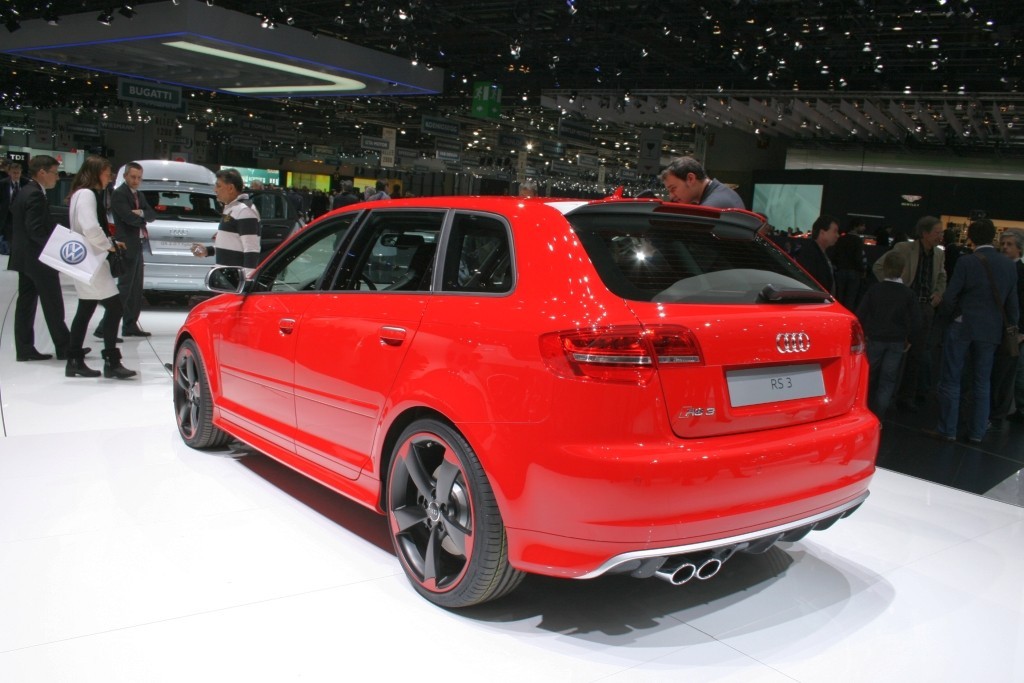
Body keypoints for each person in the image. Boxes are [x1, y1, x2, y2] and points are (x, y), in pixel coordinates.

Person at [931, 219, 1018, 443]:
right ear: (993, 237)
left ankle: (948, 429)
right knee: (982, 381)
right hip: (991, 330)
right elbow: (1012, 305)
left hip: (963, 325)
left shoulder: (966, 262)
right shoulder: (1009, 265)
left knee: (952, 378)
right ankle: (977, 432)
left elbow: (951, 296)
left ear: (971, 237)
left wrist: (946, 318)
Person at [65, 155, 136, 379]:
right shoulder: (87, 194)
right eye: (106, 173)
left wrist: (109, 242)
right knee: (115, 308)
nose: (109, 178)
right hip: (92, 262)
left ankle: (74, 360)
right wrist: (109, 246)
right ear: (96, 173)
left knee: (85, 309)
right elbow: (90, 227)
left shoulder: (78, 194)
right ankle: (111, 362)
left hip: (83, 260)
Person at [871, 216, 947, 412]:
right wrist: (894, 291)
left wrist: (938, 293)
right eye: (937, 232)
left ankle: (906, 398)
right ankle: (881, 397)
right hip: (903, 308)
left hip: (925, 308)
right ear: (925, 233)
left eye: (941, 232)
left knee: (917, 355)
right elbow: (878, 266)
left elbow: (941, 276)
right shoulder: (904, 248)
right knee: (893, 353)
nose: (940, 236)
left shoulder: (939, 254)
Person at [7, 155, 74, 362]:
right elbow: (35, 229)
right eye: (55, 173)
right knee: (52, 303)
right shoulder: (35, 194)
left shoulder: (26, 191)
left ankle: (24, 349)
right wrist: (54, 248)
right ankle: (65, 348)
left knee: (26, 305)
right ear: (42, 172)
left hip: (25, 258)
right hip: (38, 259)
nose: (57, 177)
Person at [856, 251, 922, 418]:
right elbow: (916, 321)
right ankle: (879, 417)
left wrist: (864, 334)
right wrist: (910, 339)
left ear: (884, 268)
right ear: (903, 270)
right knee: (888, 380)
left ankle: (863, 411)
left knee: (868, 376)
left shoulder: (875, 290)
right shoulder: (908, 294)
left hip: (875, 338)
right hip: (897, 341)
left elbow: (861, 314)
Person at [108, 162, 156, 337]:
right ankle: (105, 327)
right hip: (126, 245)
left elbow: (152, 215)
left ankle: (129, 325)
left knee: (135, 288)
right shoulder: (119, 194)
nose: (136, 180)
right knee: (125, 287)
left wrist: (141, 213)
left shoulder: (139, 195)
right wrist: (141, 217)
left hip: (138, 244)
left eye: (139, 178)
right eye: (133, 177)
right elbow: (128, 217)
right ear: (125, 176)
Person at [190, 168, 261, 275]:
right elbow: (233, 244)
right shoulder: (232, 208)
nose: (215, 190)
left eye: (218, 186)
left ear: (231, 188)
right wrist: (208, 251)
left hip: (235, 277)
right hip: (226, 274)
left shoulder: (244, 210)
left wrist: (247, 280)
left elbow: (251, 250)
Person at [992, 228, 1024, 423]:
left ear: (1019, 248)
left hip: (1013, 330)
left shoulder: (1020, 272)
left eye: (1009, 244)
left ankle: (999, 413)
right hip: (998, 326)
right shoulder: (1000, 268)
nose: (1004, 247)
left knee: (1008, 373)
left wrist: (1022, 331)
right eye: (1003, 244)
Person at [659, 156, 744, 209]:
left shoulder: (710, 208)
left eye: (673, 188)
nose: (671, 196)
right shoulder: (722, 192)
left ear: (690, 179)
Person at [795, 214, 839, 293]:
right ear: (822, 233)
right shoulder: (809, 254)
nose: (837, 235)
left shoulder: (821, 253)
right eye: (834, 231)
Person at [833, 218, 867, 310]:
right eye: (862, 226)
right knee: (850, 299)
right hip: (854, 272)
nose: (864, 228)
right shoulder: (858, 240)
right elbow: (859, 257)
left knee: (839, 297)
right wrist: (862, 270)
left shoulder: (841, 239)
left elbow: (835, 254)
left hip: (840, 271)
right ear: (856, 226)